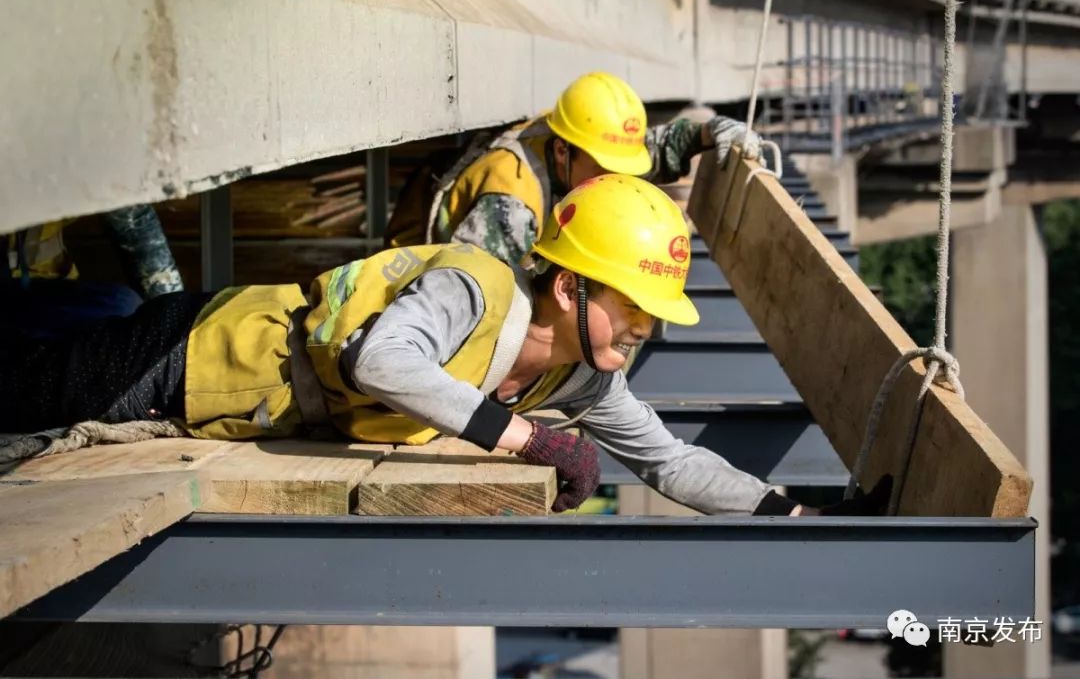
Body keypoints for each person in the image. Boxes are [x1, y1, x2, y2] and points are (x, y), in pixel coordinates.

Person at [1, 177, 883, 515]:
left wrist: (789, 510)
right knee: (20, 390)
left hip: (207, 410)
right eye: (634, 307)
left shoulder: (578, 381)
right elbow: (379, 360)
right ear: (571, 287)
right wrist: (523, 439)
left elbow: (672, 463)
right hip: (192, 354)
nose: (647, 329)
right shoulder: (476, 285)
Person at [383, 71, 760, 264]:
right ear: (563, 151)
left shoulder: (572, 138)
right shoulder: (510, 203)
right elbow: (476, 303)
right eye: (605, 169)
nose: (614, 180)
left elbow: (652, 149)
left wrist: (710, 132)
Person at [1, 204, 184, 338]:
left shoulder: (73, 155)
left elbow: (134, 221)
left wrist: (174, 326)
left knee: (125, 310)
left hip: (43, 289)